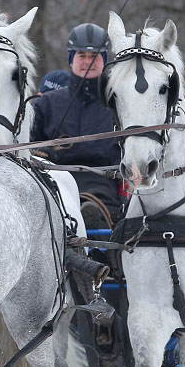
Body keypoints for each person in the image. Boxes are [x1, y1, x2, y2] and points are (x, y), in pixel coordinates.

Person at [31, 22, 126, 227]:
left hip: (103, 186)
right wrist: (40, 151)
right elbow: (26, 145)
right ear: (71, 59)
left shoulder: (118, 104)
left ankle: (89, 223)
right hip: (54, 185)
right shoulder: (46, 104)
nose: (87, 62)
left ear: (105, 60)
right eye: (82, 56)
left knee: (100, 219)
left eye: (94, 57)